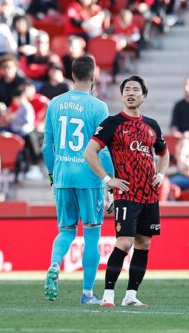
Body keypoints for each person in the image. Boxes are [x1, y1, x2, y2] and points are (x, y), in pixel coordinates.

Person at [84, 75, 170, 307]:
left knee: (144, 243)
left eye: (135, 89)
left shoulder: (152, 125)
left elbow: (164, 152)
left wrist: (160, 173)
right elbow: (89, 152)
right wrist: (107, 179)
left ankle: (131, 296)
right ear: (122, 95)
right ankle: (108, 295)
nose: (131, 93)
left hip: (149, 195)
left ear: (144, 96)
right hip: (126, 193)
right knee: (124, 242)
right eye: (127, 89)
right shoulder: (112, 123)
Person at [42, 55, 113, 304]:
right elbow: (102, 150)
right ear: (94, 77)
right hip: (89, 178)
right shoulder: (98, 107)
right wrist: (110, 181)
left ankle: (53, 264)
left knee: (65, 231)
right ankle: (87, 293)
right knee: (92, 234)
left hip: (62, 176)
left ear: (72, 75)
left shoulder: (55, 103)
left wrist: (52, 175)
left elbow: (47, 146)